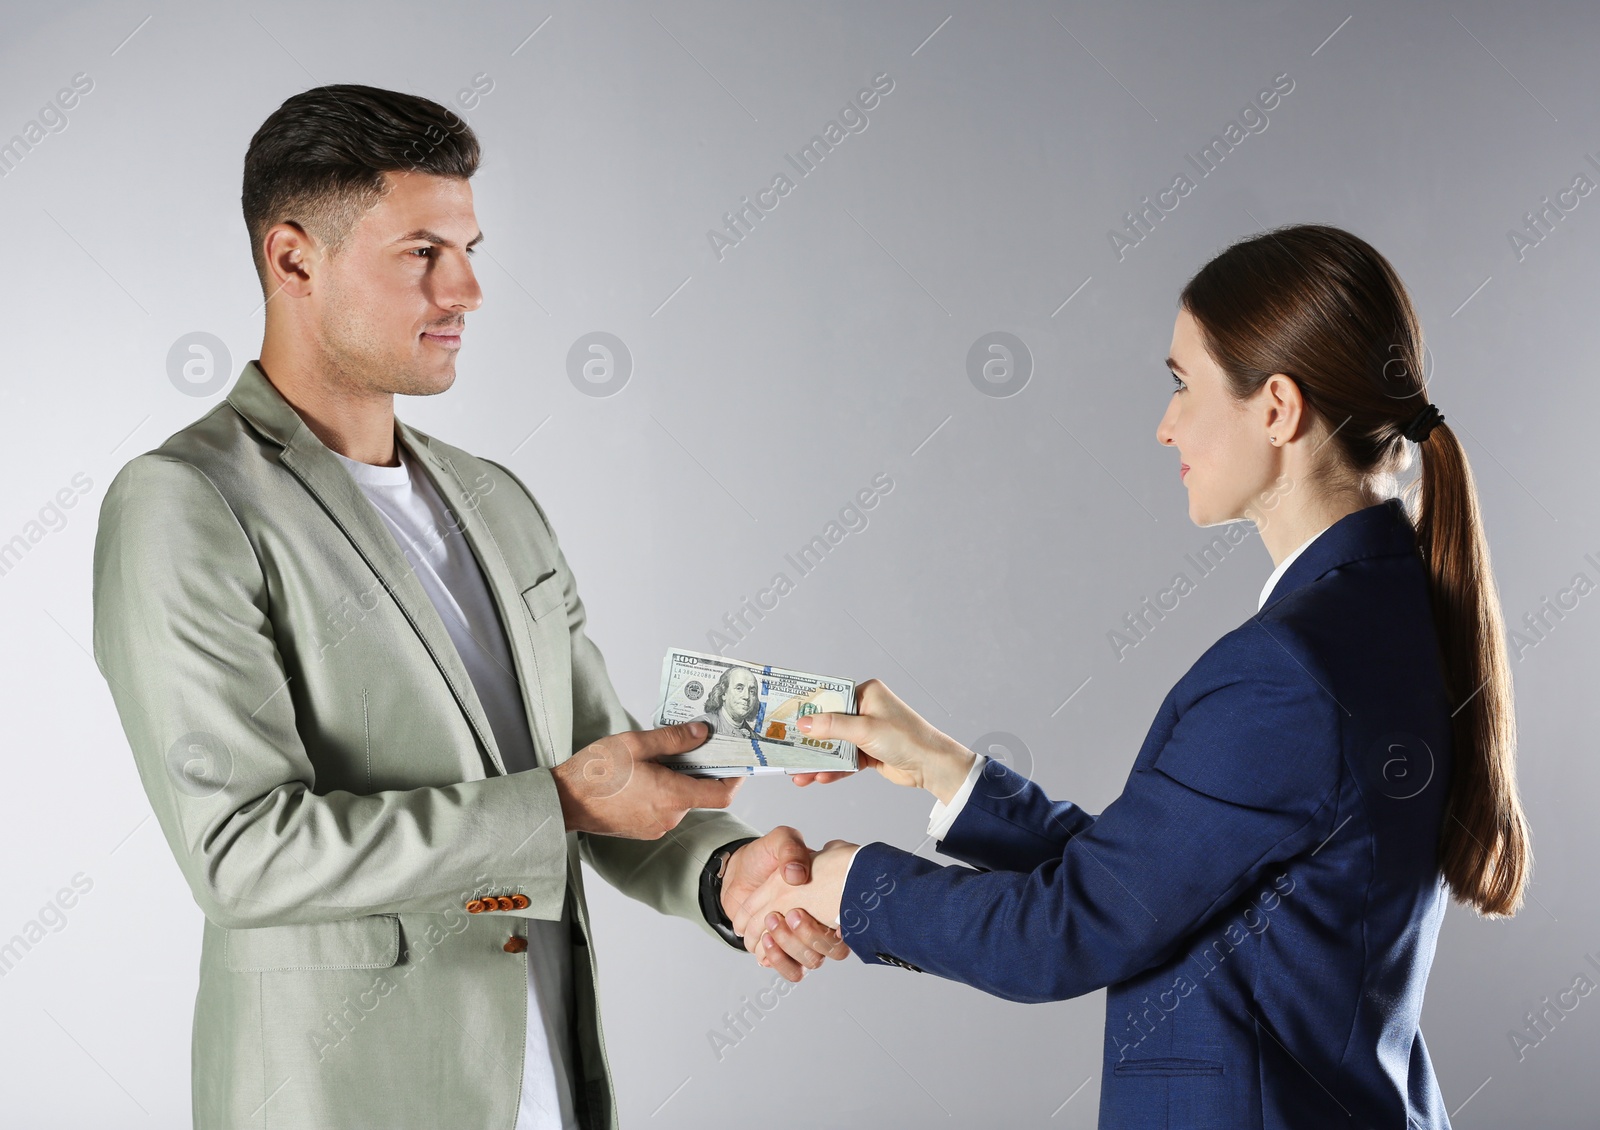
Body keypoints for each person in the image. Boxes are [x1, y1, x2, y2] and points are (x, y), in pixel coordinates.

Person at [91, 84, 844, 1130]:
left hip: (552, 1081)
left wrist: (727, 871)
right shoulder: (187, 502)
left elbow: (599, 764)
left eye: (471, 248)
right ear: (294, 258)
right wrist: (564, 802)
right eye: (423, 254)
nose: (470, 289)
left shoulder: (496, 498)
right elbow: (244, 852)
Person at [735, 224, 1531, 1128]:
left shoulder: (1288, 670)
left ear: (1276, 408)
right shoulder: (1383, 618)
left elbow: (1065, 934)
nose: (1165, 426)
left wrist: (848, 885)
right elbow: (1156, 885)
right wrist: (947, 773)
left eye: (1182, 385)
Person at [689, 665, 762, 738]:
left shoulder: (756, 739)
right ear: (723, 693)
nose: (746, 696)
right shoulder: (699, 726)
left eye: (752, 691)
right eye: (739, 688)